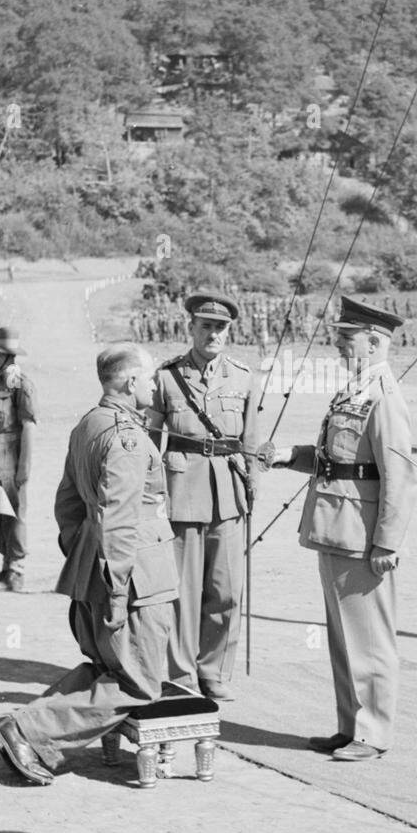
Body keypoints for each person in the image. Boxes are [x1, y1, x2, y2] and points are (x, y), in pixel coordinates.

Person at [0, 345, 183, 785]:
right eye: (150, 378)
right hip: (135, 582)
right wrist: (115, 590)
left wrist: (86, 559)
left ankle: (23, 728)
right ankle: (27, 731)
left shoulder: (89, 424)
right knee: (139, 682)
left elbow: (68, 505)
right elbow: (121, 519)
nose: (154, 385)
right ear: (131, 383)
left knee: (106, 668)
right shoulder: (129, 438)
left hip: (97, 568)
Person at [265, 297, 416, 761]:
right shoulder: (354, 391)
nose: (337, 346)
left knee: (369, 639)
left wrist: (387, 541)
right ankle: (351, 725)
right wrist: (290, 455)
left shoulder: (383, 397)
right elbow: (339, 462)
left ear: (374, 342)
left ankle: (373, 734)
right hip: (336, 527)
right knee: (343, 637)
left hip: (363, 535)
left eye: (345, 338)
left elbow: (399, 475)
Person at [147, 291, 259, 702]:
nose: (214, 334)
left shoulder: (244, 376)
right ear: (190, 328)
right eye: (206, 326)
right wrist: (151, 497)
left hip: (228, 494)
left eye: (221, 327)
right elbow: (148, 440)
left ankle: (213, 671)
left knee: (226, 590)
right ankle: (181, 674)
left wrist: (253, 488)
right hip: (181, 491)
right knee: (183, 592)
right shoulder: (166, 377)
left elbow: (251, 441)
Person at [0, 326, 36, 592]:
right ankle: (6, 567)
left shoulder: (20, 384)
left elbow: (29, 427)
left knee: (14, 514)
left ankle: (17, 571)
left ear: (9, 355)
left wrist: (24, 466)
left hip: (9, 458)